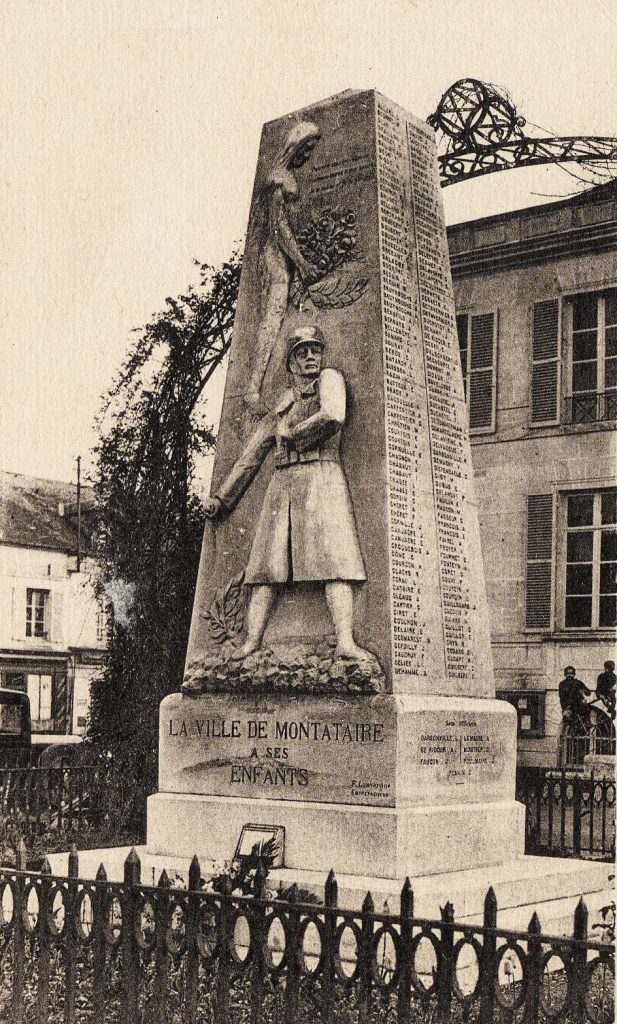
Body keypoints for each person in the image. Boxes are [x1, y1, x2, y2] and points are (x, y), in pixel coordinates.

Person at [204, 325, 369, 661]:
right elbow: (252, 454)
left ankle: (345, 642)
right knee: (266, 566)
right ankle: (252, 641)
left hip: (322, 477)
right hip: (282, 485)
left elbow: (333, 416)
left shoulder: (330, 380)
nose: (311, 357)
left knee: (335, 561)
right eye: (303, 352)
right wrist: (221, 499)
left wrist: (293, 435)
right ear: (292, 360)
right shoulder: (284, 403)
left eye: (315, 350)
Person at [244, 122, 322, 415]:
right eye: (308, 147)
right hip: (275, 257)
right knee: (272, 316)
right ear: (296, 145)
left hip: (283, 256)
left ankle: (256, 386)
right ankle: (253, 389)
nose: (309, 153)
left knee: (277, 317)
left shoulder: (283, 177)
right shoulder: (279, 179)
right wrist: (302, 262)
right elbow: (279, 228)